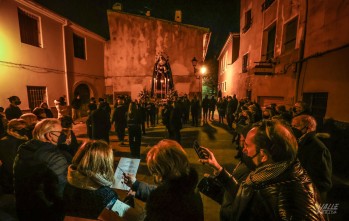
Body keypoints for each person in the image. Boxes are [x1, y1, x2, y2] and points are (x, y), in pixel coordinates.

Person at [199, 120, 325, 221]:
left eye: (247, 145)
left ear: (264, 155)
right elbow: (247, 196)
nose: (243, 150)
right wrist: (219, 170)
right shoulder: (270, 175)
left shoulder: (291, 200)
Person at [123, 139, 204, 221]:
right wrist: (136, 184)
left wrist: (128, 210)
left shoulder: (163, 206)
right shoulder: (189, 185)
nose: (155, 177)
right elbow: (166, 193)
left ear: (162, 171)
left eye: (155, 172)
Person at [13, 118, 68, 221]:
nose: (63, 135)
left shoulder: (24, 150)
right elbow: (60, 189)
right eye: (60, 132)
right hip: (47, 211)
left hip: (24, 208)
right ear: (49, 135)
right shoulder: (54, 157)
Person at [63, 140, 119, 219]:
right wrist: (129, 199)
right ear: (104, 163)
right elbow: (117, 216)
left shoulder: (68, 181)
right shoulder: (107, 195)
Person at [292, 115, 332, 202]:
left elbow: (321, 177)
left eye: (296, 126)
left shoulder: (318, 148)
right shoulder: (300, 141)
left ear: (308, 128)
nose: (293, 129)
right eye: (292, 126)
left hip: (313, 192)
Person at [0, 119, 28, 194]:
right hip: (12, 180)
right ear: (12, 130)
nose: (23, 131)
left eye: (24, 129)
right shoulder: (6, 142)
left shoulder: (22, 140)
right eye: (20, 129)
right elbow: (10, 163)